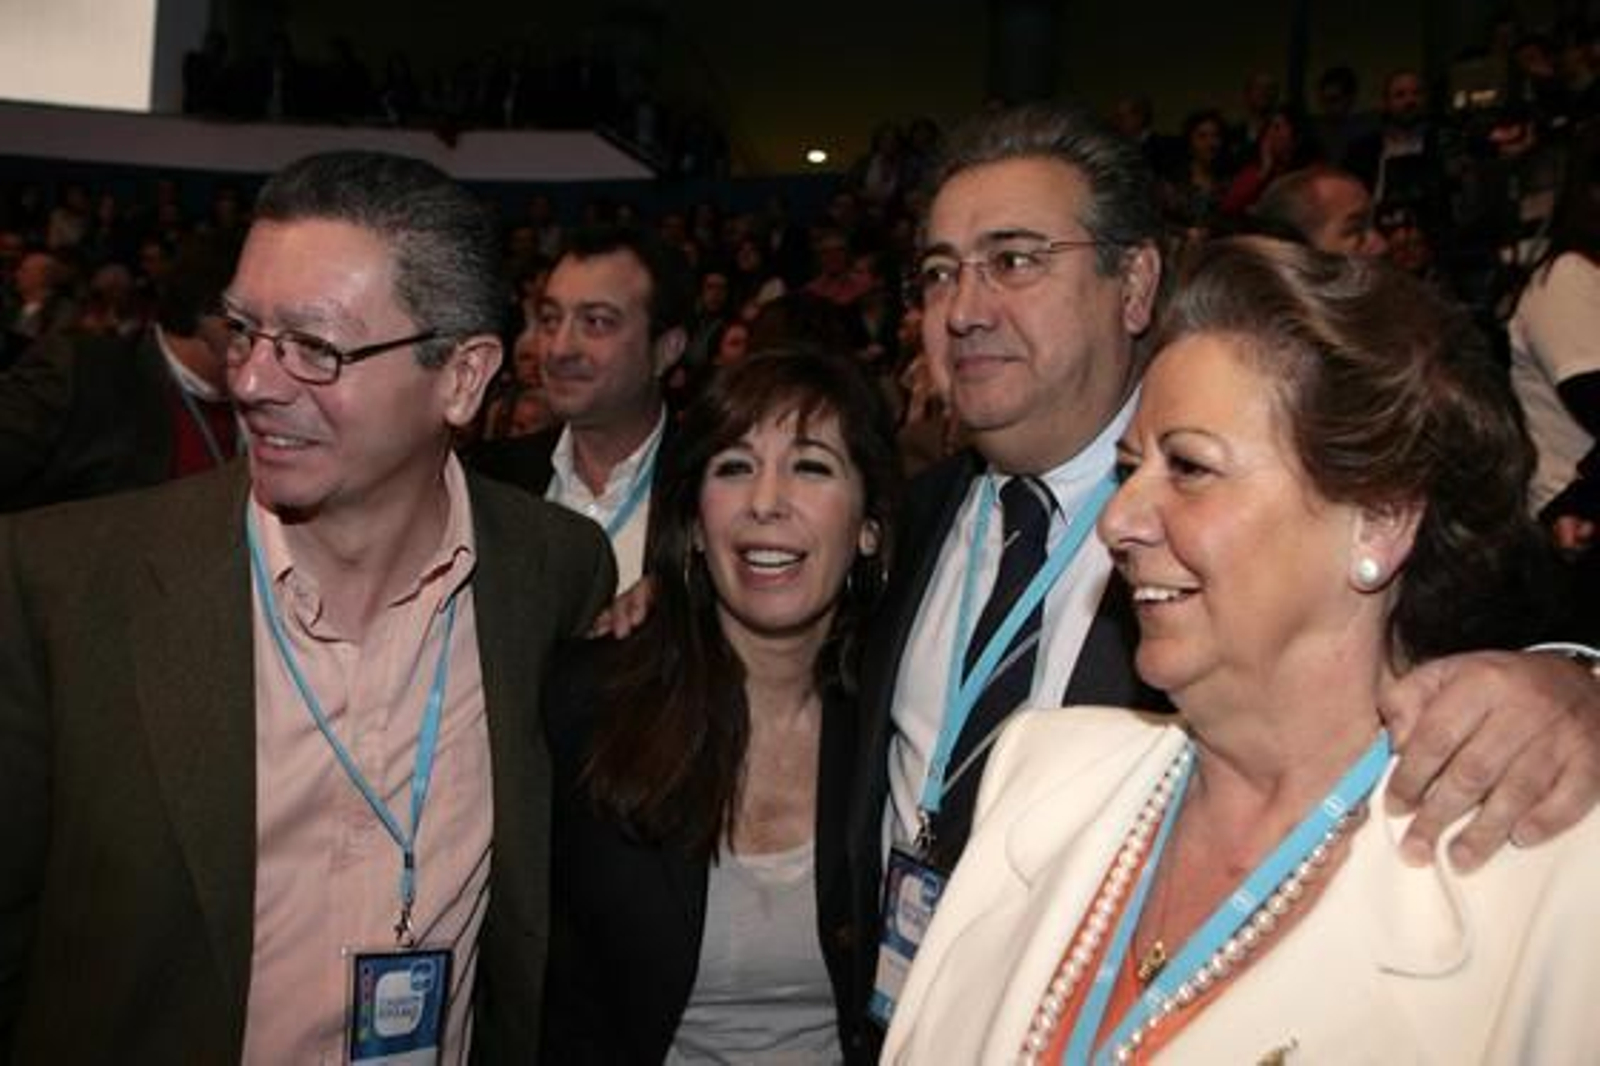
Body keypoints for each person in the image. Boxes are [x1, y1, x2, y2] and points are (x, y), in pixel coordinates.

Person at [851, 103, 1600, 1043]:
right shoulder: (905, 531)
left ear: (1134, 285)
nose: (962, 309)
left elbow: (1506, 639)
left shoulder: (1543, 883)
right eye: (937, 272)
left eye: (1014, 260)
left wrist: (1578, 677)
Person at [0, 150, 616, 1062]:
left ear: (462, 376)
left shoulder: (554, 572)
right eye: (245, 332)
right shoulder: (62, 588)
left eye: (315, 347)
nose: (252, 381)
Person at [542, 348, 898, 1062]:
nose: (766, 501)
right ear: (697, 524)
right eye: (734, 467)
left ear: (868, 526)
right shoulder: (588, 703)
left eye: (811, 467)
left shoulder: (902, 721)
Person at [469, 224, 690, 588]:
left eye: (596, 322)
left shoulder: (708, 488)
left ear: (667, 349)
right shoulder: (488, 480)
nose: (559, 349)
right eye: (550, 320)